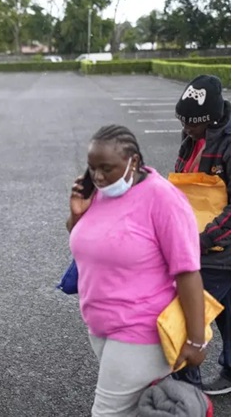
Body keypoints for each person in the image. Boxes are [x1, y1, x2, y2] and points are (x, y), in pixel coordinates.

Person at [67, 125, 207, 416]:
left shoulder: (163, 199)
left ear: (133, 160)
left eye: (107, 168)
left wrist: (195, 340)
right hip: (101, 324)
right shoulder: (100, 193)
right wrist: (76, 216)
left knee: (108, 412)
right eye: (92, 169)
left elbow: (188, 272)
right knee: (134, 409)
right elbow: (88, 243)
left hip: (142, 328)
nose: (99, 177)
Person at [172, 74, 231, 396]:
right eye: (182, 122)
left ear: (210, 120)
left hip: (217, 251)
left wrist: (200, 241)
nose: (186, 130)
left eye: (192, 125)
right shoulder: (193, 135)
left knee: (184, 318)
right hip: (196, 241)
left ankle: (187, 394)